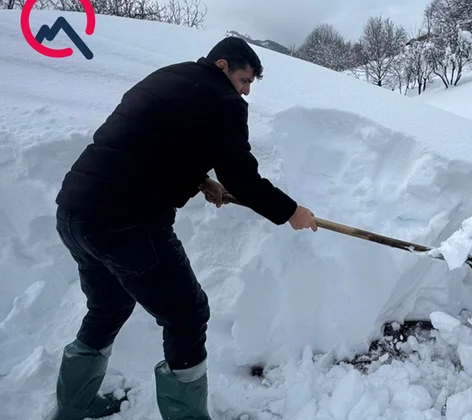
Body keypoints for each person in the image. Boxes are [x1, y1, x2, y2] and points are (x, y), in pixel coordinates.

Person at [51, 37, 317, 420]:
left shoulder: (169, 77)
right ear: (222, 65)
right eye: (244, 80)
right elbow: (241, 176)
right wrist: (291, 211)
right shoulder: (224, 101)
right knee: (188, 314)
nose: (245, 91)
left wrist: (200, 180)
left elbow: (152, 142)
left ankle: (73, 407)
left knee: (109, 304)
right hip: (127, 221)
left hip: (76, 210)